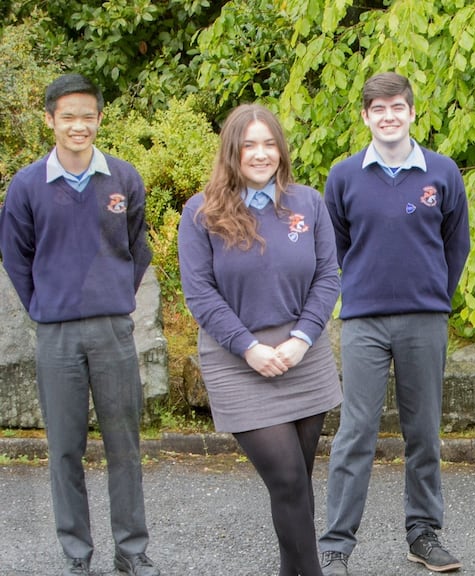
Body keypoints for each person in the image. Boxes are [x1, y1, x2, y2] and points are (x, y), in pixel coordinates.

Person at [0, 74, 159, 576]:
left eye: (86, 115)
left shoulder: (123, 178)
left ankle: (132, 552)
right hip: (57, 335)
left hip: (113, 330)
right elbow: (16, 258)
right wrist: (47, 307)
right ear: (50, 120)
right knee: (65, 448)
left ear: (99, 118)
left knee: (124, 446)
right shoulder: (27, 186)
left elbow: (138, 250)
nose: (78, 125)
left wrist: (113, 298)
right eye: (67, 116)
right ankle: (76, 555)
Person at [177, 104, 341, 576]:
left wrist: (302, 339)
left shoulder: (308, 203)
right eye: (249, 144)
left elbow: (328, 277)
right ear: (232, 150)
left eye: (269, 143)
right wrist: (249, 347)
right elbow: (200, 293)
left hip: (302, 356)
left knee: (297, 485)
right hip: (237, 358)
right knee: (287, 479)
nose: (261, 153)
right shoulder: (201, 212)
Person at [319, 72, 470, 575]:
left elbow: (457, 244)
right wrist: (364, 286)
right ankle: (337, 544)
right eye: (378, 108)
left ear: (411, 112)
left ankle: (423, 533)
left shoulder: (442, 173)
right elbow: (336, 246)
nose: (388, 116)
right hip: (363, 320)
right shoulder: (343, 177)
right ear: (365, 116)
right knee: (355, 432)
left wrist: (432, 296)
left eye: (397, 107)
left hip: (424, 319)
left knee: (423, 431)